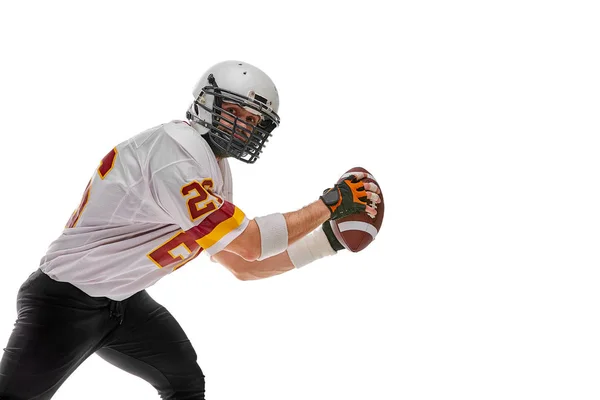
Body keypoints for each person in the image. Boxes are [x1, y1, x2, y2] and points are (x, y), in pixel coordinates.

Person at [0, 60, 380, 399]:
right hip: (63, 302)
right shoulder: (175, 154)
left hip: (122, 301)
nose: (243, 127)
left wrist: (327, 241)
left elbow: (243, 266)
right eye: (235, 111)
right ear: (207, 102)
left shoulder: (213, 169)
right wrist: (329, 204)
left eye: (253, 121)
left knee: (185, 385)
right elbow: (252, 245)